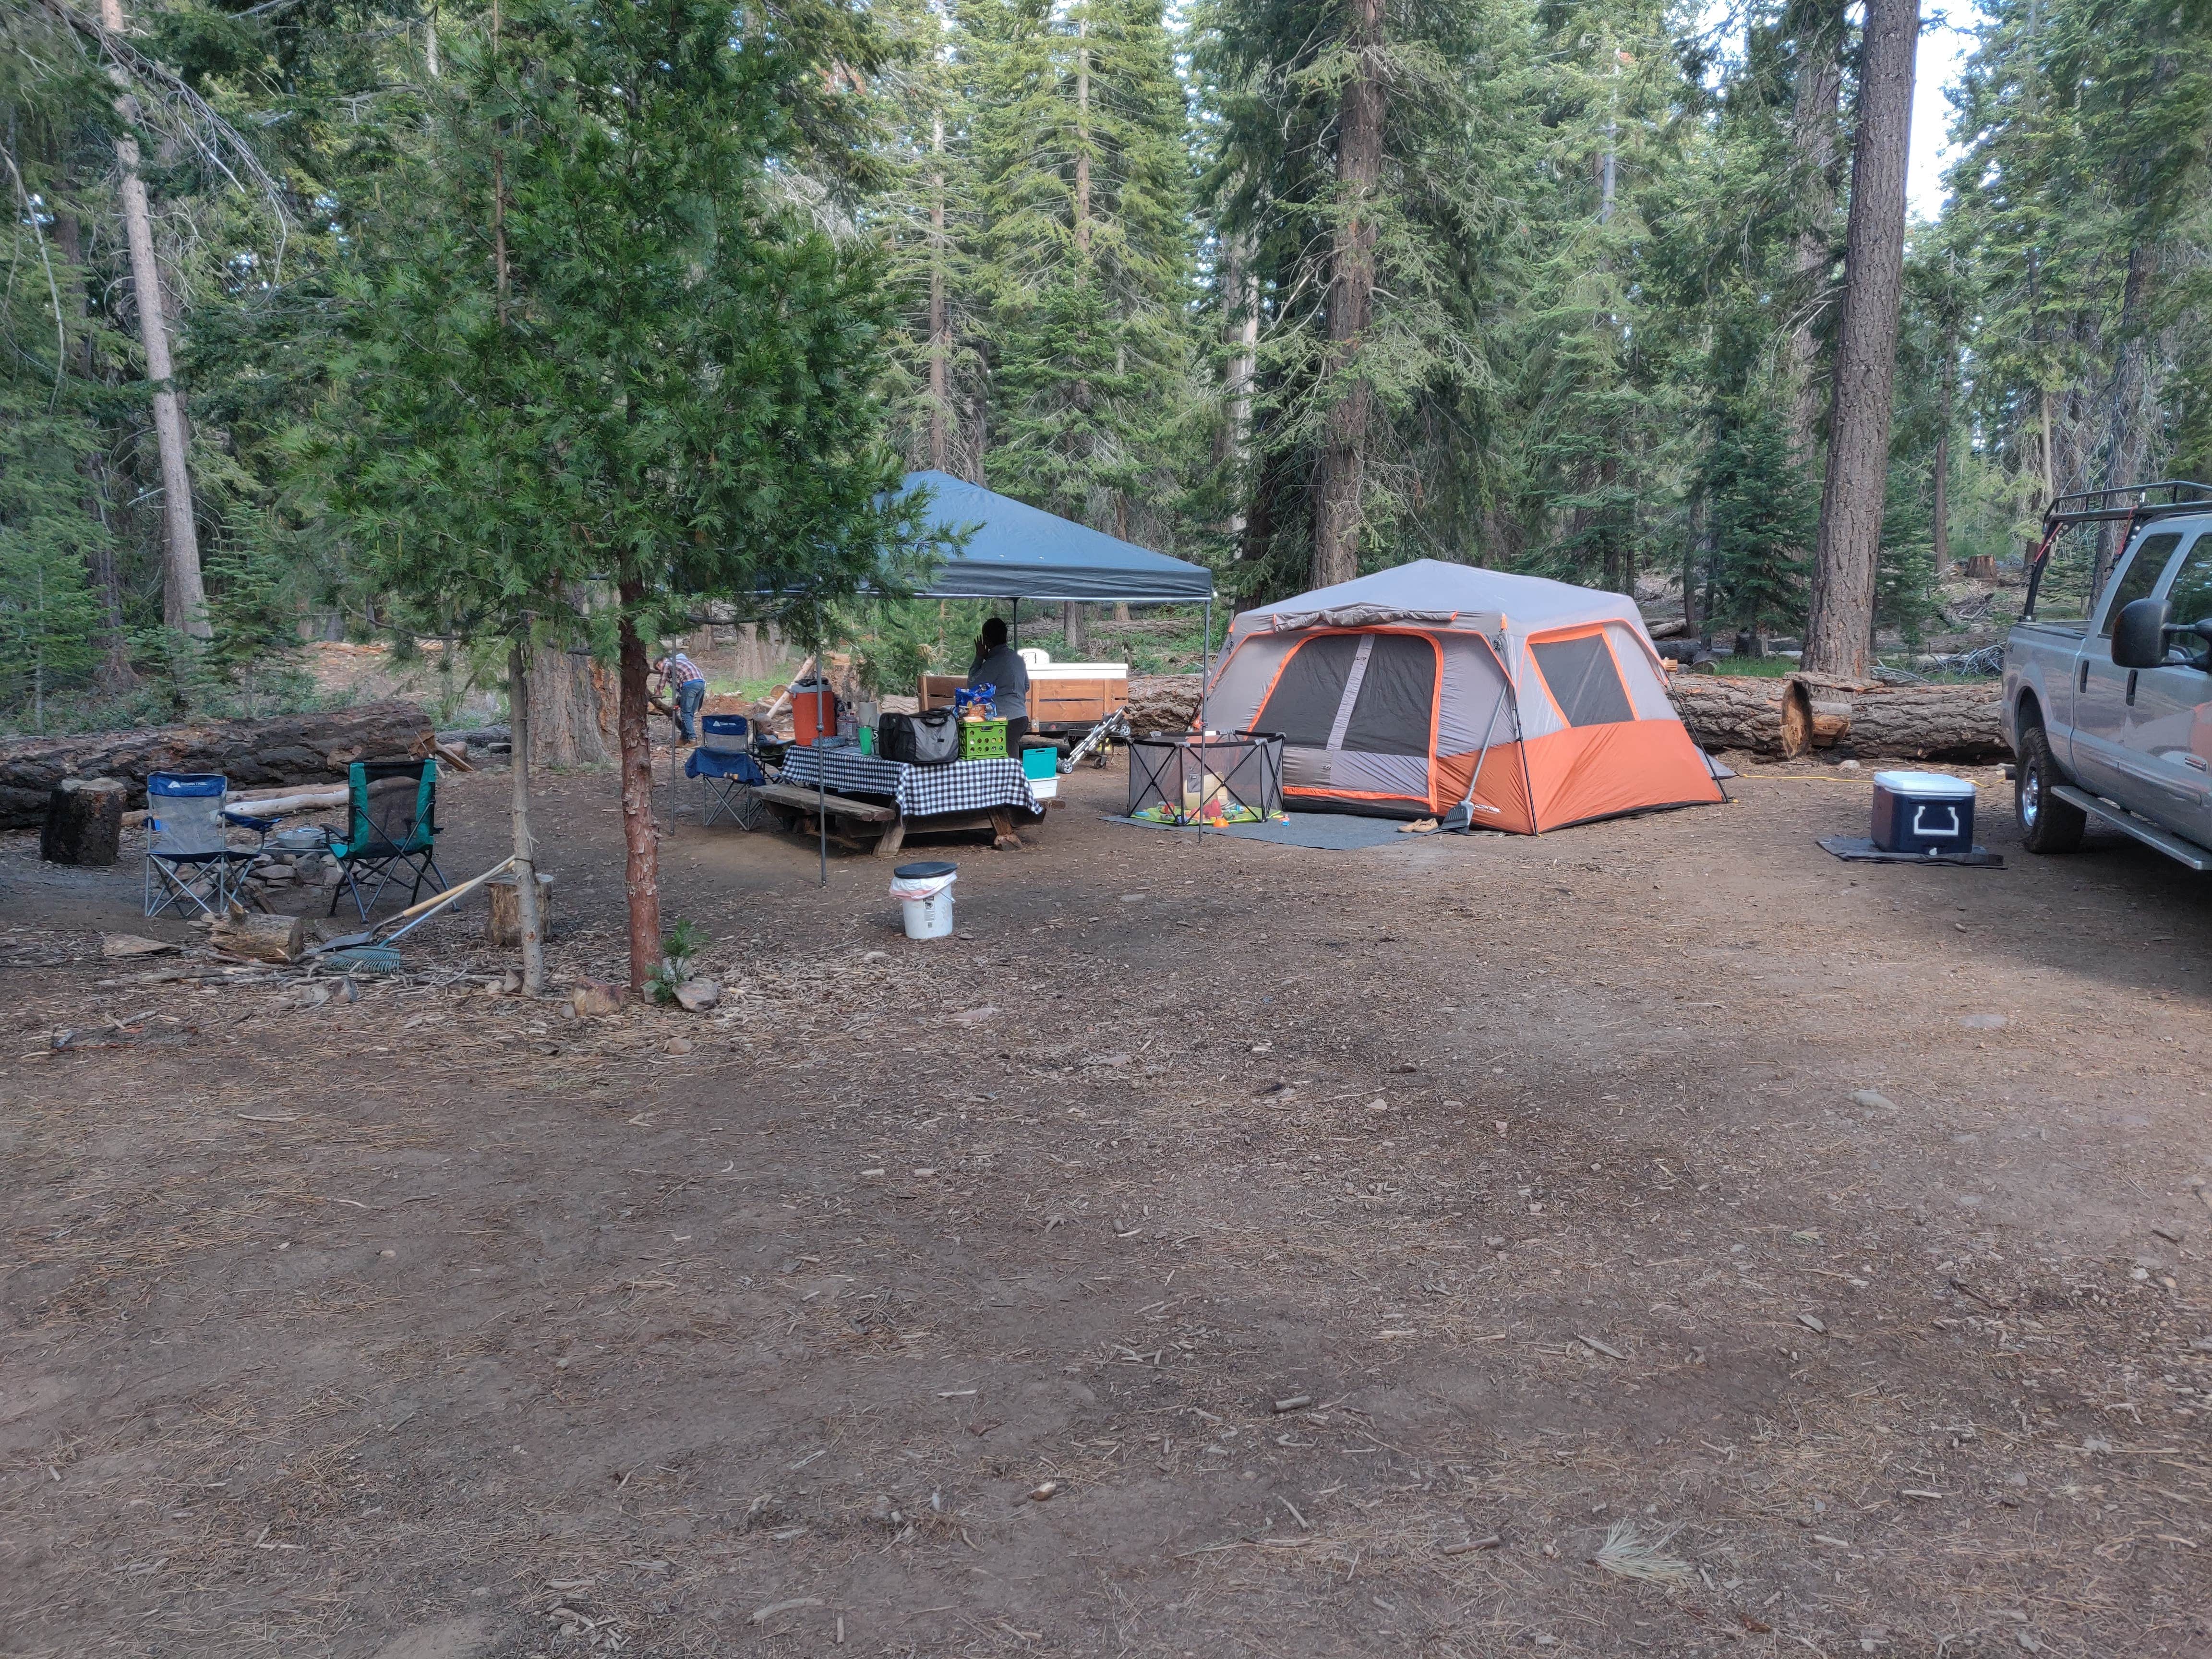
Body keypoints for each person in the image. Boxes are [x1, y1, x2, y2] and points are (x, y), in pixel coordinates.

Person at [967, 616, 1030, 752]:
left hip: (1005, 719)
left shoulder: (994, 663)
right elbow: (1026, 686)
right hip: (1021, 716)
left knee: (1006, 760)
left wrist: (979, 657)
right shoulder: (1018, 659)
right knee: (1010, 757)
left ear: (986, 640)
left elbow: (972, 684)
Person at [651, 649, 708, 745]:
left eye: (658, 666)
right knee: (690, 714)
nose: (660, 670)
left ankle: (693, 739)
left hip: (690, 685)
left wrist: (658, 692)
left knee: (685, 714)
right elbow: (678, 686)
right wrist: (679, 701)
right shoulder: (682, 661)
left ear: (661, 661)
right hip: (701, 684)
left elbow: (663, 680)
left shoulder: (667, 663)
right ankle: (684, 738)